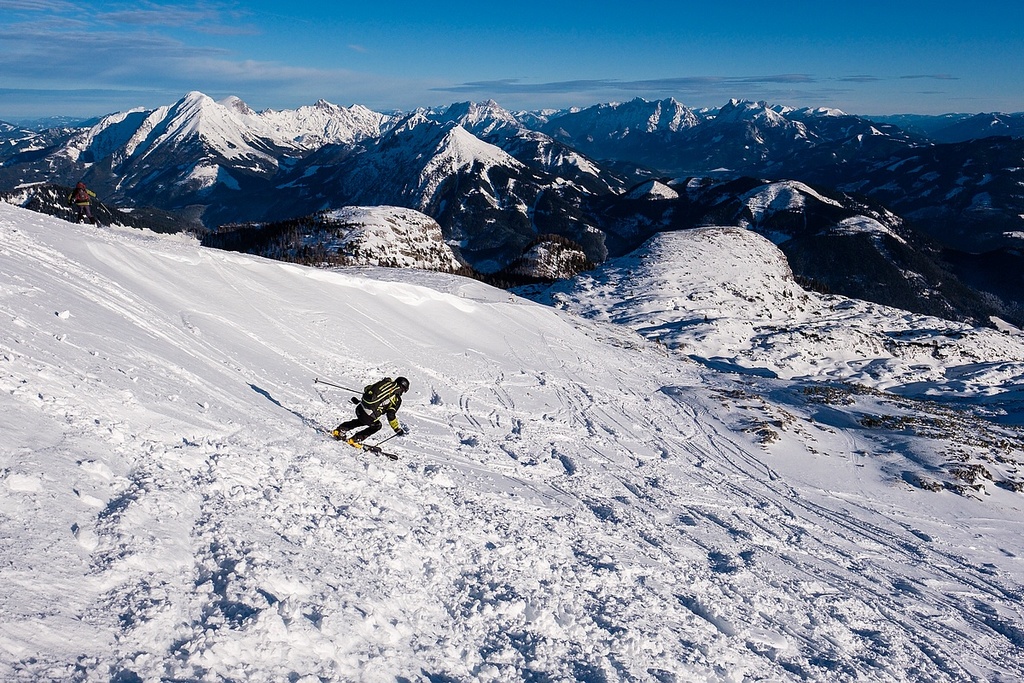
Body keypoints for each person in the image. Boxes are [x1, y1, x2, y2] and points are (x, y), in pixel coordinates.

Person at [332, 376, 409, 445]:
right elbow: (390, 414)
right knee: (377, 426)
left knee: (362, 420)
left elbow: (366, 389)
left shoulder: (385, 384)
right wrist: (396, 428)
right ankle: (354, 440)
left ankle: (340, 430)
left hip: (359, 408)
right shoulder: (396, 399)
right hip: (368, 415)